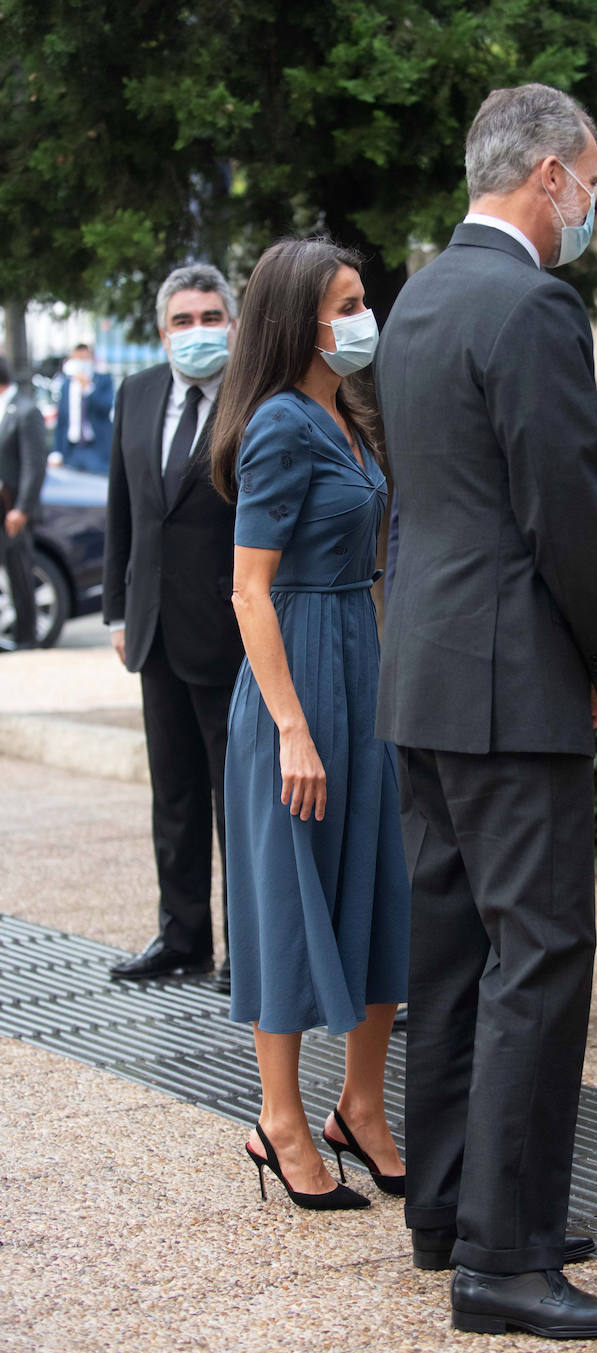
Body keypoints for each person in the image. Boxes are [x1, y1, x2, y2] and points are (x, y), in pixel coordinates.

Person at [374, 84, 597, 1341]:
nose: (592, 200)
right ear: (549, 174)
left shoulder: (419, 297)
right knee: (536, 960)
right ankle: (506, 1257)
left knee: (452, 957)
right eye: (590, 177)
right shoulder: (533, 304)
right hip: (509, 687)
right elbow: (569, 515)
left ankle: (450, 1208)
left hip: (425, 680)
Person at [210, 236, 409, 1212]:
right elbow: (249, 592)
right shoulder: (281, 427)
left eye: (361, 300)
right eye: (344, 304)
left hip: (359, 667)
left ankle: (360, 1106)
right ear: (299, 317)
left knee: (378, 884)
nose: (360, 318)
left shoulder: (348, 416)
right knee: (287, 899)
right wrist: (291, 726)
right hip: (296, 673)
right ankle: (278, 1120)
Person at [103, 264, 244, 992]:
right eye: (183, 322)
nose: (197, 333)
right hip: (154, 627)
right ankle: (182, 937)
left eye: (210, 317)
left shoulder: (253, 401)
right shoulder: (137, 394)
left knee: (236, 799)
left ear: (233, 321)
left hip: (229, 631)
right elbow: (124, 510)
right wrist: (118, 609)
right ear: (162, 333)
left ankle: (242, 952)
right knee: (176, 794)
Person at [0, 357, 47, 650]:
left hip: (14, 506)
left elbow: (34, 464)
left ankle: (26, 636)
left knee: (20, 571)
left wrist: (23, 508)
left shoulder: (26, 410)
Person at [53, 344, 114, 474]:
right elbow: (62, 420)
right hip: (71, 448)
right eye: (77, 358)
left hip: (96, 447)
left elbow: (105, 408)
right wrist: (57, 451)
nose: (80, 362)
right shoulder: (66, 385)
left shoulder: (103, 380)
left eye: (84, 358)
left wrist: (87, 388)